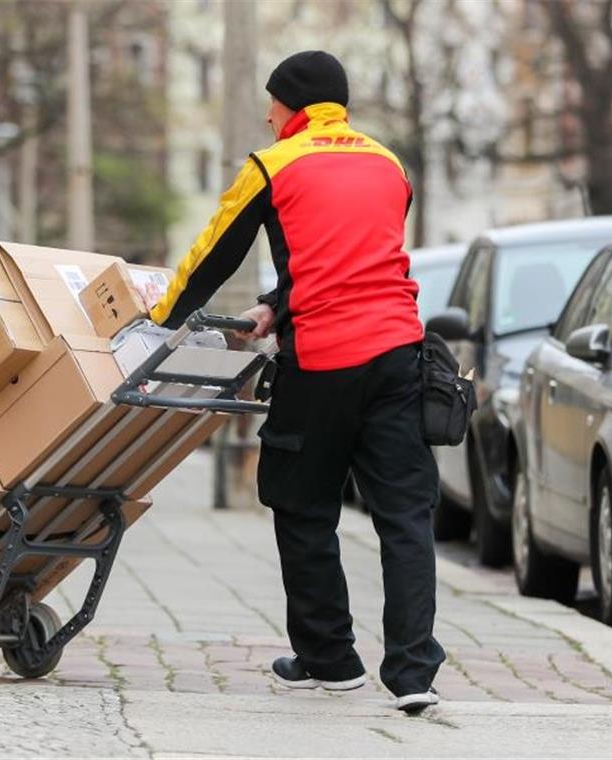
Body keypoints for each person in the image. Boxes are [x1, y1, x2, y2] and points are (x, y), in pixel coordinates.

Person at [146, 50, 445, 714]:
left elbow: (212, 252)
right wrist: (277, 304)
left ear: (294, 107)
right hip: (400, 355)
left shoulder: (271, 165)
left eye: (272, 102)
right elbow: (354, 255)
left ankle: (329, 658)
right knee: (405, 513)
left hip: (325, 362)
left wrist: (157, 319)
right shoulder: (389, 164)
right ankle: (414, 672)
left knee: (303, 506)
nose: (267, 113)